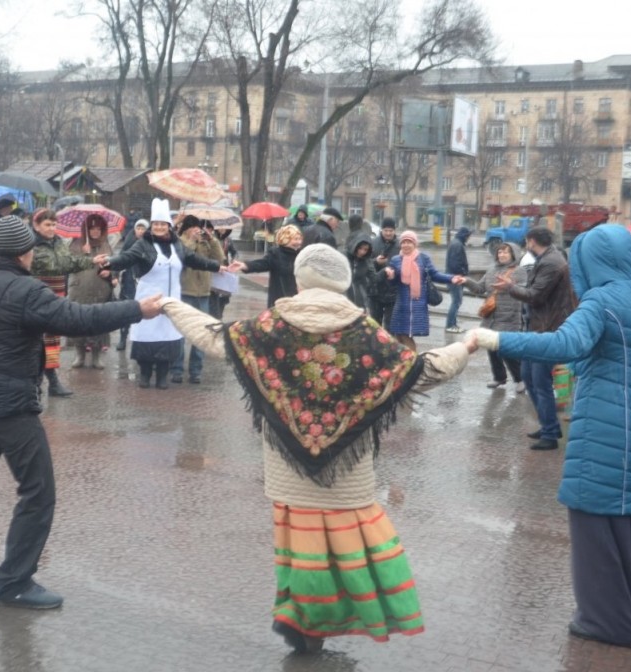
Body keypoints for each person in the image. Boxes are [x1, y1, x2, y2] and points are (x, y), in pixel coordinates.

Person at [159, 243, 475, 653]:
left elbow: (216, 339)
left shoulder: (272, 326)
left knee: (302, 552)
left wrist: (171, 304)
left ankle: (302, 623)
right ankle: (319, 623)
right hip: (348, 476)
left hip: (287, 472)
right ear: (342, 283)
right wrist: (466, 347)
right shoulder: (366, 332)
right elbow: (419, 371)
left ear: (300, 278)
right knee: (348, 550)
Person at [0, 214, 163, 609]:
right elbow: (79, 319)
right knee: (38, 492)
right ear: (24, 253)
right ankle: (15, 583)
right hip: (12, 407)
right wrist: (136, 309)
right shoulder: (27, 291)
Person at [470, 224, 631, 649]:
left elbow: (565, 344)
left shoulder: (601, 300)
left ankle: (606, 621)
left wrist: (494, 338)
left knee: (597, 522)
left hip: (604, 420)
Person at [94, 198, 230, 390]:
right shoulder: (143, 245)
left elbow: (195, 259)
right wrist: (109, 263)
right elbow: (126, 258)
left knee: (168, 337)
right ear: (152, 226)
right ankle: (145, 373)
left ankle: (163, 375)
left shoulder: (177, 246)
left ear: (169, 226)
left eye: (163, 224)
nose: (159, 227)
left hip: (171, 300)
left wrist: (217, 267)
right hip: (148, 299)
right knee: (147, 336)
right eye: (156, 224)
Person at [492, 226, 574, 450]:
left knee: (540, 381)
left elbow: (535, 296)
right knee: (529, 376)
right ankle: (548, 425)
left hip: (546, 329)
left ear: (531, 241)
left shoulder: (551, 262)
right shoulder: (548, 258)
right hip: (537, 326)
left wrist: (511, 287)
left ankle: (549, 434)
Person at [28, 208, 97, 391]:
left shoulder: (59, 243)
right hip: (37, 297)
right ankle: (34, 381)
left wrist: (91, 260)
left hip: (57, 297)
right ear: (36, 225)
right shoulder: (29, 245)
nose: (52, 228)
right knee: (35, 340)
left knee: (52, 339)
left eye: (54, 224)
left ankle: (53, 381)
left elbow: (68, 264)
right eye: (47, 224)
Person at [459, 242, 526, 391]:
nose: (502, 255)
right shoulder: (491, 271)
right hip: (491, 317)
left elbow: (523, 291)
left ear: (513, 254)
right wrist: (466, 281)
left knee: (506, 349)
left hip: (509, 317)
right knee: (491, 348)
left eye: (506, 252)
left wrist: (510, 285)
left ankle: (520, 378)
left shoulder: (519, 271)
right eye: (499, 252)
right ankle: (499, 378)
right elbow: (479, 289)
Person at [171, 214, 225, 384]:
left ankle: (196, 370)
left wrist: (213, 239)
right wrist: (192, 240)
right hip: (185, 291)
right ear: (186, 229)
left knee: (201, 334)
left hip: (203, 293)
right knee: (180, 332)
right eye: (193, 227)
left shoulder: (206, 242)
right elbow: (182, 257)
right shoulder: (179, 241)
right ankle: (177, 369)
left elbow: (219, 259)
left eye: (198, 227)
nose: (197, 230)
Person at [385, 230, 458, 351]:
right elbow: (393, 283)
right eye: (404, 242)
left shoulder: (423, 258)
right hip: (401, 304)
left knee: (406, 335)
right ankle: (407, 363)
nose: (406, 245)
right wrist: (391, 277)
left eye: (409, 242)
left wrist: (451, 278)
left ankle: (413, 362)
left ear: (415, 244)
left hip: (417, 304)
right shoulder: (396, 260)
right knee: (399, 335)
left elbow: (434, 275)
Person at [68, 214, 117, 370]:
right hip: (80, 288)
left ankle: (96, 356)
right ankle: (80, 354)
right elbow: (68, 264)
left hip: (100, 289)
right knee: (78, 321)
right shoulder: (75, 244)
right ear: (86, 229)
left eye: (98, 229)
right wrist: (84, 253)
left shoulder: (106, 245)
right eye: (92, 229)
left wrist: (111, 273)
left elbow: (115, 263)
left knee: (98, 322)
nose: (95, 232)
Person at [240, 224, 302, 307]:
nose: (298, 242)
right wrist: (246, 265)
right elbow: (262, 263)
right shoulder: (276, 254)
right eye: (295, 239)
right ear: (285, 239)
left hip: (297, 300)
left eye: (299, 239)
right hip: (279, 300)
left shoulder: (302, 254)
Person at [116, 219, 148, 351]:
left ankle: (141, 340)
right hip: (129, 279)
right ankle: (123, 337)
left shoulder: (150, 243)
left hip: (143, 279)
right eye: (138, 228)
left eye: (143, 229)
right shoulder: (128, 242)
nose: (140, 231)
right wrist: (114, 275)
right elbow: (120, 258)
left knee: (143, 310)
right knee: (127, 309)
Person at [369, 218, 400, 328]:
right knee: (375, 325)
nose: (388, 233)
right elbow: (366, 264)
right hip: (376, 290)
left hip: (393, 291)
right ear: (381, 230)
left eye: (390, 230)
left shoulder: (400, 245)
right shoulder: (373, 243)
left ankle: (388, 345)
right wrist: (376, 261)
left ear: (394, 231)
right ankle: (375, 345)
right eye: (386, 230)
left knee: (390, 325)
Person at [207, 220, 239, 319]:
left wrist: (234, 259)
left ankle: (219, 314)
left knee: (224, 295)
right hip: (214, 268)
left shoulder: (228, 240)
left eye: (225, 227)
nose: (222, 229)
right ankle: (215, 316)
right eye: (220, 227)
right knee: (213, 294)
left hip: (225, 269)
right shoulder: (211, 238)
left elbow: (234, 252)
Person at [444, 226, 471, 333]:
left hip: (453, 276)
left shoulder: (455, 243)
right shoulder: (458, 245)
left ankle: (453, 324)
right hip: (456, 277)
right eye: (468, 236)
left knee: (456, 301)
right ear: (465, 235)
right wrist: (463, 273)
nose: (469, 238)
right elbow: (455, 263)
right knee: (456, 302)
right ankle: (450, 325)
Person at [344, 231, 377, 312]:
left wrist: (384, 272)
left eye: (365, 250)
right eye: (360, 248)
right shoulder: (343, 256)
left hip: (359, 299)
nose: (362, 252)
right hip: (344, 296)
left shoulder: (366, 261)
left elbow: (374, 277)